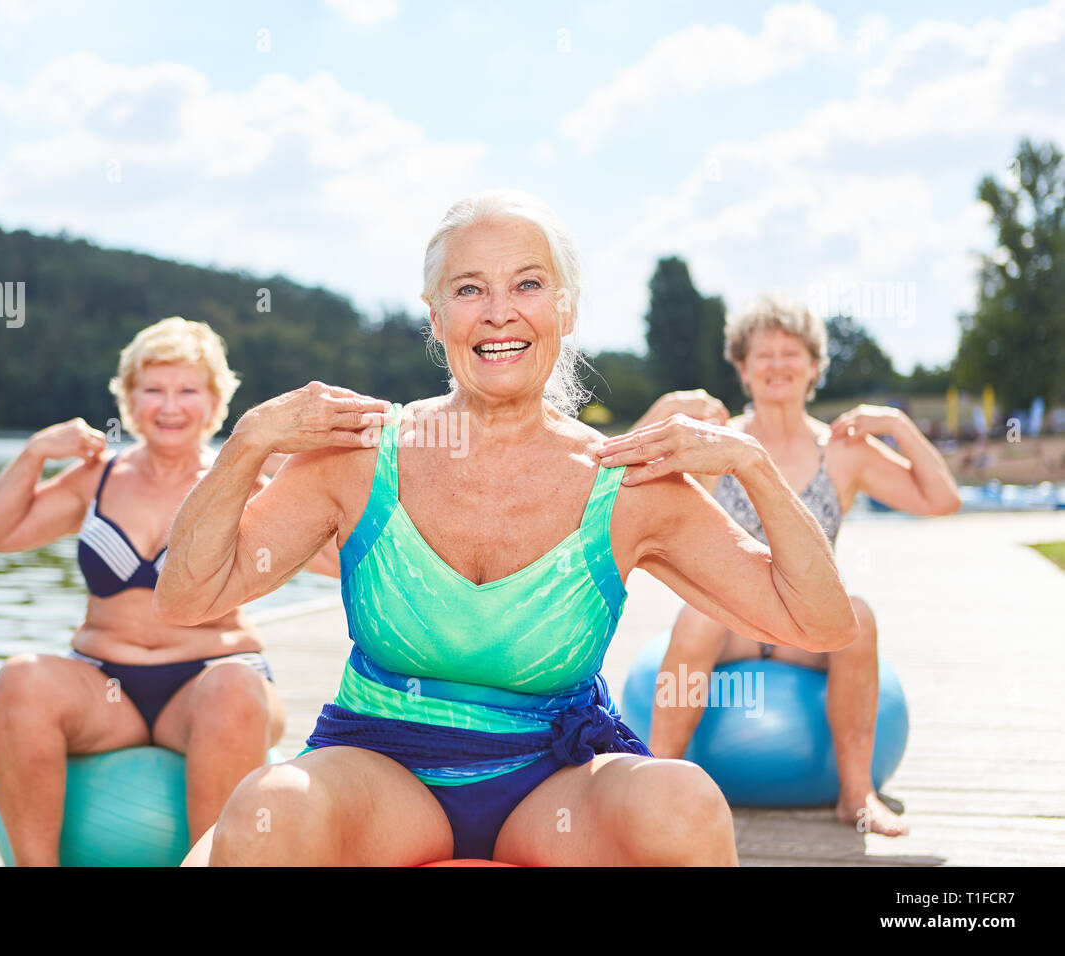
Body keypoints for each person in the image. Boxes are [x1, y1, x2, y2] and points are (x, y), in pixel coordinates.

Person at [155, 191, 859, 866]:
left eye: (526, 285)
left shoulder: (627, 481)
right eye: (469, 290)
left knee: (685, 802)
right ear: (434, 316)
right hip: (380, 775)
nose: (498, 314)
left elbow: (819, 622)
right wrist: (245, 443)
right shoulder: (361, 456)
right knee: (267, 808)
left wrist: (755, 465)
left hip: (548, 789)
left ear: (566, 309)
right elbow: (188, 597)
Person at [0, 316, 326, 865]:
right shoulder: (99, 476)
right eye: (153, 390)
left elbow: (337, 552)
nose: (169, 406)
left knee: (231, 692)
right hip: (103, 687)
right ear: (129, 400)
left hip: (211, 686)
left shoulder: (245, 480)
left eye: (187, 391)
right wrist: (36, 452)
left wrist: (295, 478)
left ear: (214, 404)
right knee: (20, 678)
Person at [628, 294, 962, 835]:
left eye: (791, 353)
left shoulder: (845, 450)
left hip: (807, 628)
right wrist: (665, 410)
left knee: (861, 618)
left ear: (814, 368)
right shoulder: (712, 444)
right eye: (763, 354)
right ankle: (660, 785)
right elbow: (614, 485)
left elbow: (942, 500)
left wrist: (897, 425)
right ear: (741, 366)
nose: (777, 364)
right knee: (697, 615)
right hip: (730, 623)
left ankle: (856, 795)